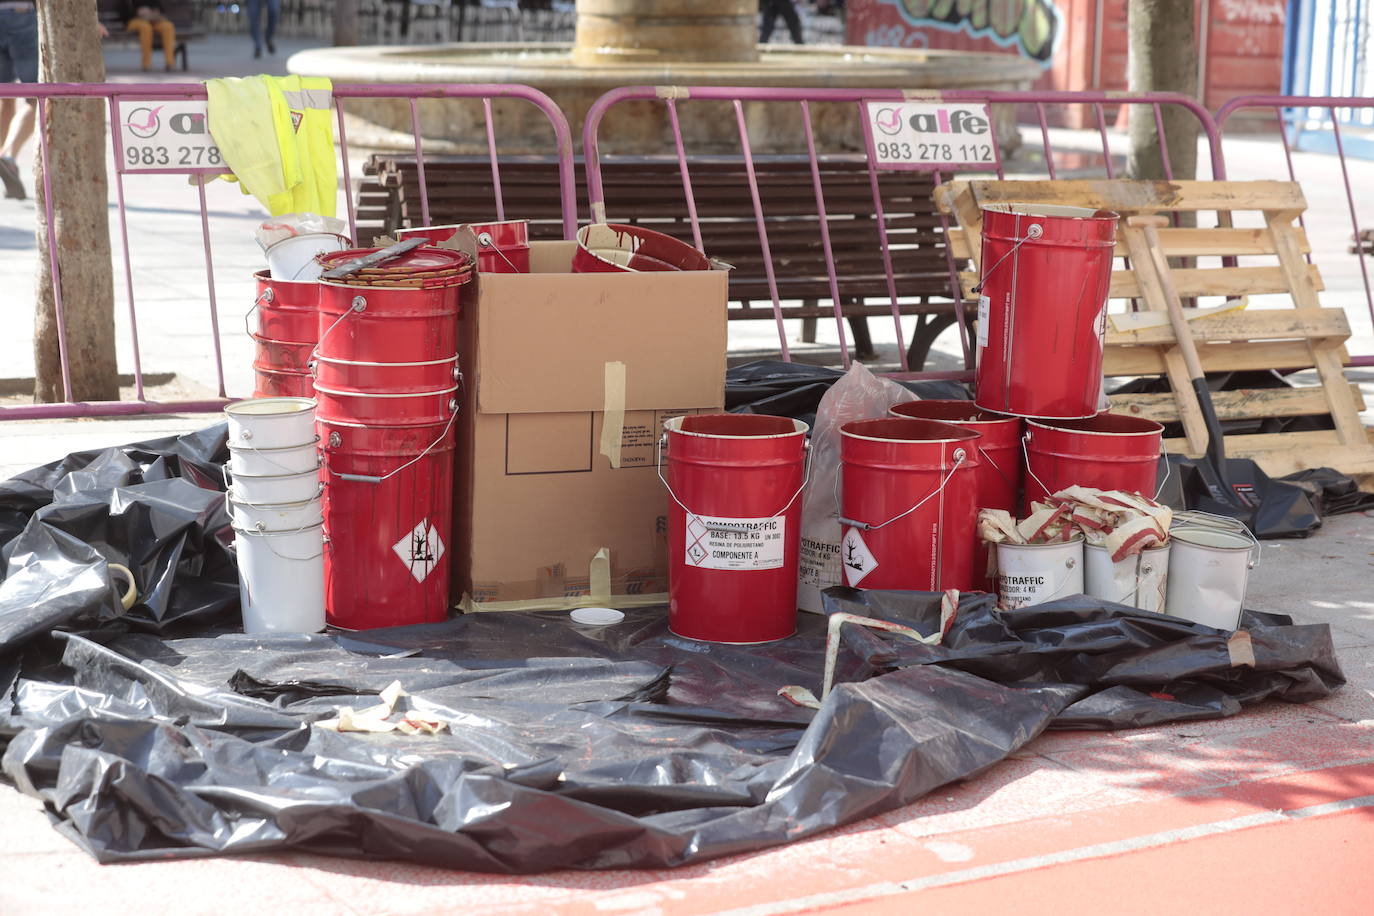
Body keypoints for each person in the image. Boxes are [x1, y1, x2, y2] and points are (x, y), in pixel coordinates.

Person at [0, 0, 37, 200]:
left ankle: (5, 159)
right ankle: (8, 156)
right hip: (21, 14)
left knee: (5, 95)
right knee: (38, 97)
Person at [121, 2, 177, 72]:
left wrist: (154, 12)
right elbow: (123, 12)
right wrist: (137, 12)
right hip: (134, 20)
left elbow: (161, 9)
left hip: (154, 20)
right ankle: (146, 64)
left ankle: (170, 62)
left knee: (168, 27)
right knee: (146, 28)